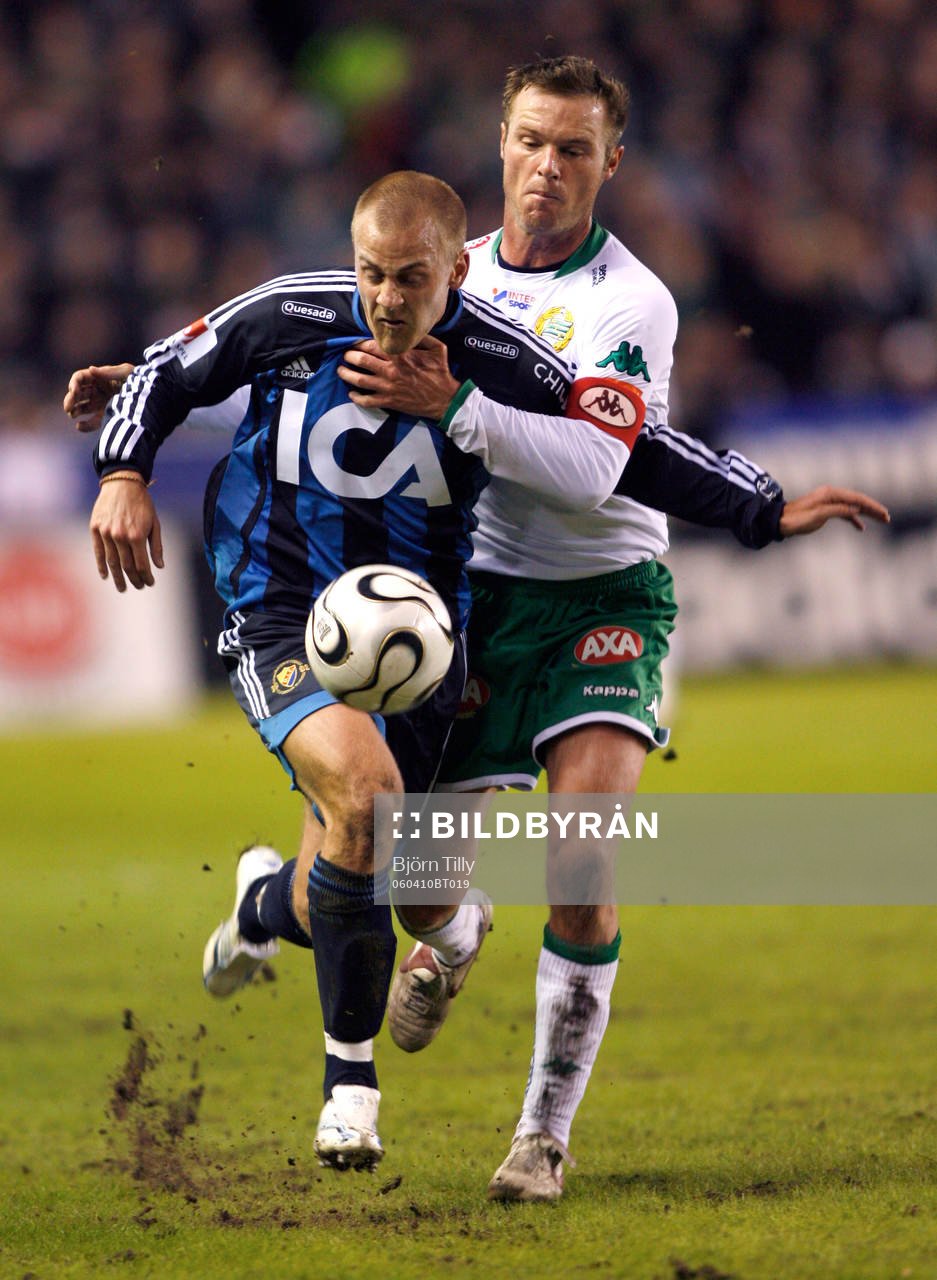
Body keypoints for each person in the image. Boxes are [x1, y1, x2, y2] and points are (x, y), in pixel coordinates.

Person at [333, 57, 891, 1202]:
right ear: (500, 143)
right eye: (532, 141)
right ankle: (456, 931)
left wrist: (458, 405)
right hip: (478, 604)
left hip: (605, 595)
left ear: (611, 163)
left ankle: (540, 1136)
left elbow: (597, 468)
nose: (548, 166)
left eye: (573, 149)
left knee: (581, 861)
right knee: (414, 883)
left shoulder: (630, 302)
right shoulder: (442, 271)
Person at [79, 169, 644, 1175]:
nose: (385, 296)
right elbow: (169, 370)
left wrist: (757, 508)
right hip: (281, 608)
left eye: (410, 277)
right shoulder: (288, 311)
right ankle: (350, 1086)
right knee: (367, 796)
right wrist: (124, 469)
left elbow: (605, 449)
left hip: (420, 642)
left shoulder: (495, 356)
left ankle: (266, 904)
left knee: (372, 885)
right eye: (371, 273)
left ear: (455, 269)